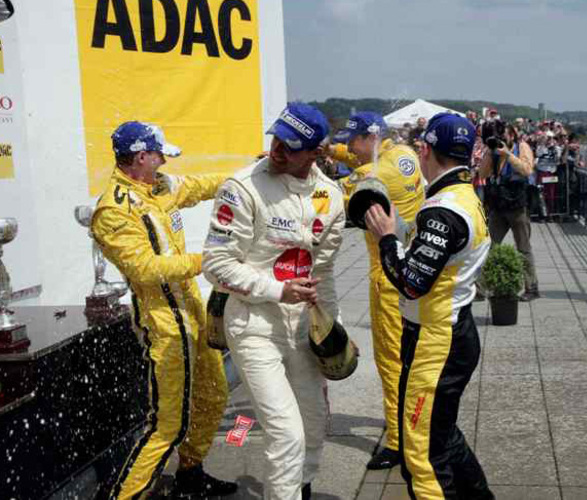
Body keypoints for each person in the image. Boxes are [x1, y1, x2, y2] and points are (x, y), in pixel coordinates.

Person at [202, 103, 345, 500]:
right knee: (286, 434)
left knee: (314, 425)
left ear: (316, 152)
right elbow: (215, 264)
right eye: (276, 139)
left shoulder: (331, 196)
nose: (278, 150)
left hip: (302, 328)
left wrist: (329, 329)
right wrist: (277, 289)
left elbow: (326, 272)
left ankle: (297, 490)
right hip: (253, 326)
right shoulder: (242, 187)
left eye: (291, 146)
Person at [91, 121, 234, 500]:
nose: (165, 162)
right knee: (167, 423)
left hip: (192, 311)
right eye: (159, 156)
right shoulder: (113, 210)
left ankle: (191, 472)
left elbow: (201, 186)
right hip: (164, 323)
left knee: (214, 394)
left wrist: (251, 175)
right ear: (141, 157)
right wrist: (209, 260)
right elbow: (144, 269)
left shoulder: (158, 187)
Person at [365, 113, 494, 500]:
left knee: (422, 455)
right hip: (452, 331)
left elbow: (410, 282)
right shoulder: (462, 195)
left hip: (436, 341)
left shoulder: (442, 210)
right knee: (443, 436)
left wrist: (387, 238)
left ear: (424, 150)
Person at [341, 111, 425, 470]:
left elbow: (327, 195)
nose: (348, 146)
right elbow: (353, 156)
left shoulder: (370, 176)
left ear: (370, 139)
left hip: (387, 276)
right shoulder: (404, 154)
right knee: (413, 359)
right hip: (413, 267)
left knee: (391, 362)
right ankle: (416, 425)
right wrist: (328, 151)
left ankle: (398, 442)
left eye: (352, 139)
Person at [479, 122, 539, 301]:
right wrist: (490, 153)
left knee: (523, 247)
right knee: (488, 246)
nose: (502, 139)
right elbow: (482, 174)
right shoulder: (494, 151)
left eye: (504, 135)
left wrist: (508, 155)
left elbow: (527, 170)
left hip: (517, 205)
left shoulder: (522, 147)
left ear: (512, 134)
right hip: (498, 205)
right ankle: (481, 288)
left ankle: (532, 288)